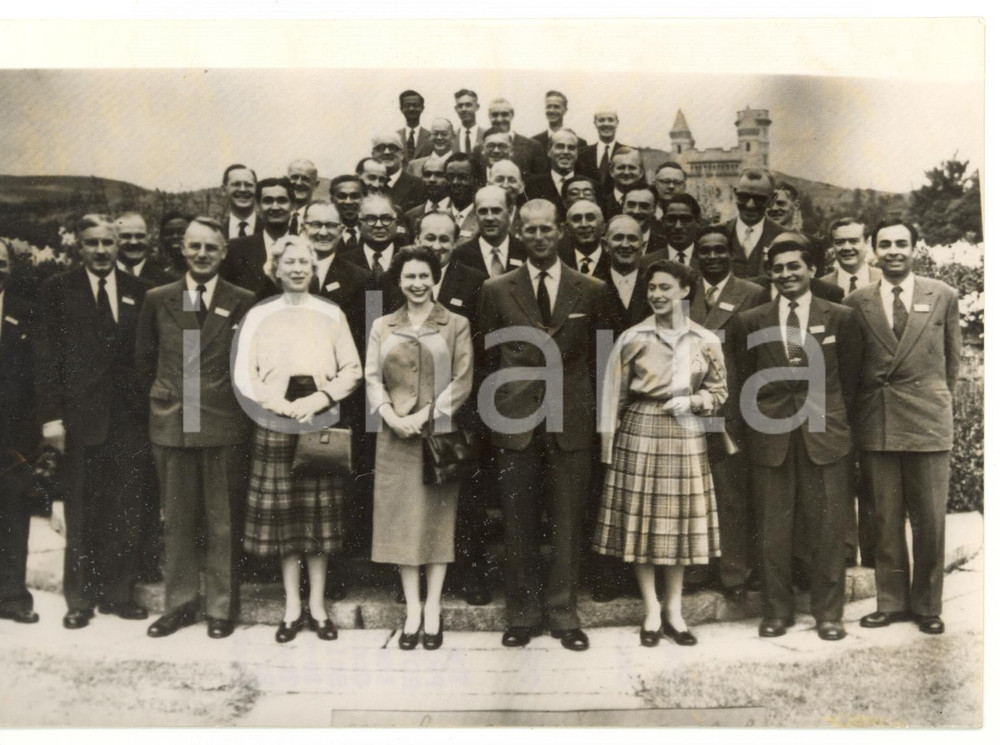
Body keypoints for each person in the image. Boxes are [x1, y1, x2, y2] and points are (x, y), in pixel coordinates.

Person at [478, 199, 604, 652]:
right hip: (516, 420)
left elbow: (601, 359)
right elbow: (486, 358)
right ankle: (523, 614)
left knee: (568, 522)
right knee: (518, 522)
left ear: (560, 231)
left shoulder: (591, 288)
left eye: (546, 229)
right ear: (518, 232)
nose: (538, 237)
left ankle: (564, 615)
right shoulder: (496, 289)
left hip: (571, 419)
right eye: (529, 230)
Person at [732, 234, 862, 641]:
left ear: (812, 270)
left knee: (827, 526)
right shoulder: (751, 321)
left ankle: (829, 614)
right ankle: (776, 612)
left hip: (825, 431)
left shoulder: (840, 316)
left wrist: (836, 421)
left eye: (794, 266)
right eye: (778, 268)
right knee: (773, 528)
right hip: (770, 433)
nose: (786, 274)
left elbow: (851, 381)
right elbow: (745, 380)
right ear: (769, 273)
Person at [234, 234, 362, 643]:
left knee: (318, 524)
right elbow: (244, 373)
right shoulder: (258, 315)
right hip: (274, 421)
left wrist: (319, 399)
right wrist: (279, 405)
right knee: (286, 523)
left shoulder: (331, 313)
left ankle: (318, 606)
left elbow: (352, 369)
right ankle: (292, 606)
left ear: (314, 267)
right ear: (275, 268)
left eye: (304, 261)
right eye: (288, 262)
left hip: (318, 421)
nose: (297, 268)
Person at [595, 258, 726, 647]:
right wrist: (608, 448)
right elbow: (613, 397)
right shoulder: (633, 337)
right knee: (643, 522)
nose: (656, 294)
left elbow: (720, 390)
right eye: (651, 288)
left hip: (686, 432)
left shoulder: (705, 339)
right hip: (641, 429)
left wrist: (696, 401)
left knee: (678, 523)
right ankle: (651, 609)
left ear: (685, 291)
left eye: (665, 287)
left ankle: (674, 610)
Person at [137, 217, 256, 640]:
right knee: (177, 518)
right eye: (195, 246)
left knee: (223, 520)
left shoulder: (242, 300)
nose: (202, 254)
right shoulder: (159, 298)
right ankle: (180, 604)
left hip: (222, 420)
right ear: (183, 249)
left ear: (223, 252)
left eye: (211, 247)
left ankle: (221, 607)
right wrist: (166, 397)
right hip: (173, 420)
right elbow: (145, 360)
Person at [845, 221, 961, 636]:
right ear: (873, 251)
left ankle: (928, 606)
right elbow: (852, 366)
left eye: (901, 243)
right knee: (884, 518)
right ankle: (891, 603)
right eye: (885, 244)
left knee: (930, 519)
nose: (893, 250)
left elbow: (952, 362)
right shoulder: (856, 301)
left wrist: (936, 404)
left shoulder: (942, 295)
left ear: (915, 248)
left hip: (927, 422)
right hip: (878, 421)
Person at [35, 214, 151, 630]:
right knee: (83, 510)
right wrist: (51, 419)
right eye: (92, 243)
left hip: (129, 422)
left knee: (125, 509)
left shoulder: (139, 291)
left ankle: (119, 595)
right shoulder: (57, 290)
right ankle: (80, 599)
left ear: (117, 245)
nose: (101, 251)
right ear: (79, 246)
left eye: (107, 243)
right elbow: (46, 360)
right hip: (80, 420)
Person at [366, 245, 473, 650]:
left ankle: (432, 607)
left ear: (435, 278)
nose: (417, 283)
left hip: (437, 437)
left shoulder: (455, 323)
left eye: (424, 276)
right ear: (399, 281)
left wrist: (426, 415)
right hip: (395, 437)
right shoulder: (383, 326)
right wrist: (390, 415)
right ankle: (412, 609)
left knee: (436, 522)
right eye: (409, 276)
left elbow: (462, 379)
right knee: (401, 523)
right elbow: (372, 377)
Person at [688, 226, 770, 602]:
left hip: (733, 404)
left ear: (731, 254)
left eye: (720, 250)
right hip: (689, 405)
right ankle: (696, 569)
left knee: (732, 492)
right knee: (693, 492)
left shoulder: (752, 294)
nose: (712, 257)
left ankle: (735, 572)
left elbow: (757, 354)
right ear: (696, 256)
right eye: (705, 251)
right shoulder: (683, 292)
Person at [0, 239, 40, 625]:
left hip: (10, 439)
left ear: (10, 268)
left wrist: (28, 443)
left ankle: (12, 597)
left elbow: (38, 379)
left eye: (1, 263)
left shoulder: (25, 313)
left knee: (13, 518)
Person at [222, 176, 293, 297]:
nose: (275, 207)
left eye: (282, 201)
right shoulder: (234, 249)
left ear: (293, 205)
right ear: (258, 206)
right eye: (268, 201)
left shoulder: (305, 247)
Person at [453, 185, 526, 278]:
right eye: (483, 211)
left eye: (496, 211)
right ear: (475, 213)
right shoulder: (460, 256)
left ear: (510, 211)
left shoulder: (525, 252)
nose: (489, 218)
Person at [724, 168, 785, 278]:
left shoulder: (784, 237)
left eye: (759, 199)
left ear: (772, 200)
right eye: (743, 197)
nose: (750, 205)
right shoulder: (719, 233)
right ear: (735, 194)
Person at [483, 98, 547, 177]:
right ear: (489, 116)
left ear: (512, 115)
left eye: (504, 114)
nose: (499, 119)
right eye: (495, 115)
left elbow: (540, 179)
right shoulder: (479, 148)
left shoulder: (533, 146)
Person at [524, 129, 580, 212]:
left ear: (577, 153)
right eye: (560, 146)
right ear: (549, 151)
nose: (566, 152)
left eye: (571, 148)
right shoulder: (531, 185)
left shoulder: (589, 184)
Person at [114, 212, 173, 286]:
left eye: (140, 236)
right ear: (113, 239)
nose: (134, 242)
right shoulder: (104, 276)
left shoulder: (168, 281)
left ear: (148, 237)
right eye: (126, 236)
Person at [372, 131, 425, 212]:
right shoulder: (364, 183)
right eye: (381, 148)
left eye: (392, 148)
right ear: (373, 154)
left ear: (401, 154)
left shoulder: (418, 185)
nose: (387, 152)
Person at [828, 216, 882, 295]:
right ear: (832, 245)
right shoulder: (819, 286)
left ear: (867, 243)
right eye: (839, 242)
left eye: (853, 241)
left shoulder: (885, 279)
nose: (847, 248)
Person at [558, 199, 610, 280]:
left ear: (603, 226)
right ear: (567, 229)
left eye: (590, 218)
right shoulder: (559, 262)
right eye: (577, 219)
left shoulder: (613, 261)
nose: (584, 224)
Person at [579, 107, 626, 186]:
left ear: (617, 123)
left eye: (610, 120)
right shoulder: (582, 153)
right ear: (595, 123)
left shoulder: (627, 152)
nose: (606, 124)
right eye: (601, 120)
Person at [531, 90, 588, 155]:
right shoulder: (534, 141)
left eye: (556, 107)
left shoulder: (580, 143)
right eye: (548, 107)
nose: (551, 110)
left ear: (565, 110)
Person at [221, 163, 260, 240]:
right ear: (224, 190)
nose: (243, 189)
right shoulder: (217, 232)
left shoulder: (270, 229)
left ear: (257, 189)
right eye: (236, 184)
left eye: (248, 185)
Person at [397, 90, 432, 162]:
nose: (411, 108)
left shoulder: (432, 138)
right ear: (401, 109)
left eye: (415, 105)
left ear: (422, 108)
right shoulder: (395, 137)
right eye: (407, 106)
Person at [287, 159, 319, 234]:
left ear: (315, 185)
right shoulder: (273, 215)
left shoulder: (321, 217)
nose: (299, 183)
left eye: (305, 179)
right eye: (294, 177)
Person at [453, 88, 484, 155]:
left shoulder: (486, 135)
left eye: (468, 105)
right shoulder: (452, 138)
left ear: (477, 107)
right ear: (456, 109)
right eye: (460, 106)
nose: (464, 109)